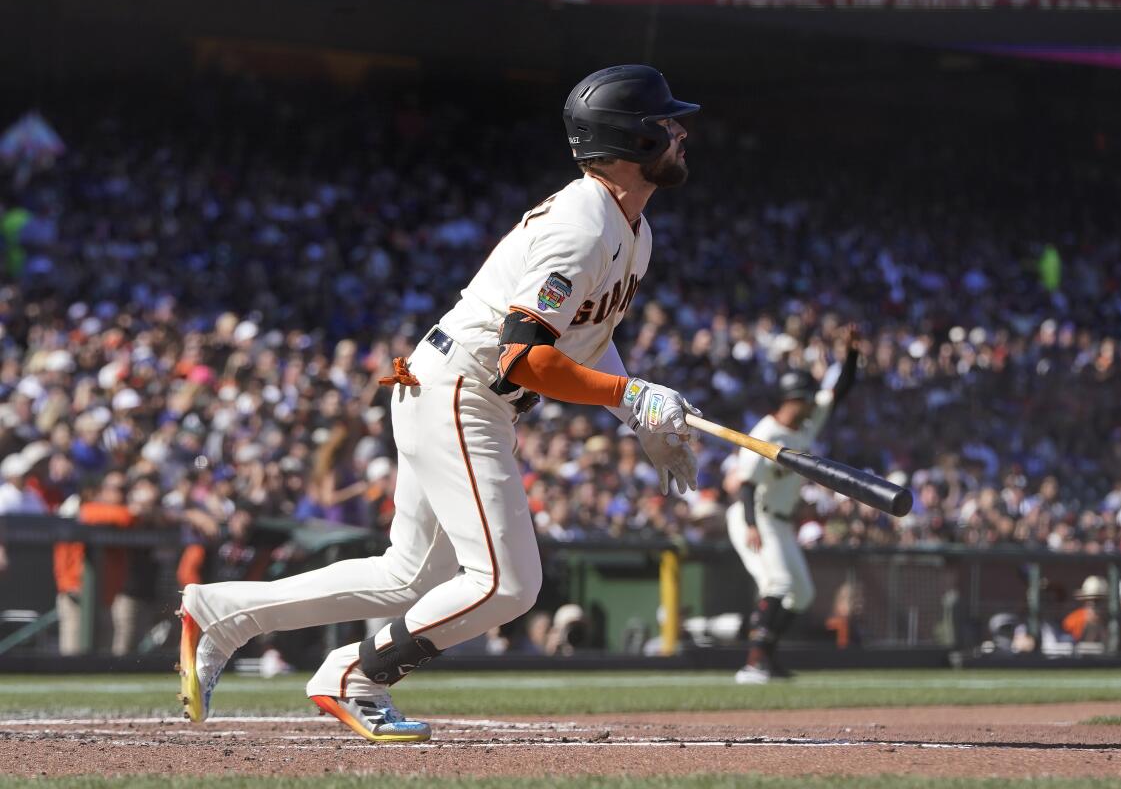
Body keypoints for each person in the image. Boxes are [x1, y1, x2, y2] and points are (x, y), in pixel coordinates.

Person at [176, 65, 702, 742]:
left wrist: (634, 414)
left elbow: (585, 343)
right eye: (666, 123)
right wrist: (631, 394)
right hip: (464, 388)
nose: (680, 131)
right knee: (509, 585)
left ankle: (220, 611)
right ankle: (352, 675)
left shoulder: (633, 228)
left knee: (405, 578)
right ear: (632, 140)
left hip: (454, 388)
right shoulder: (583, 223)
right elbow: (524, 358)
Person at [725, 329, 859, 683]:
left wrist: (852, 357)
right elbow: (746, 485)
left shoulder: (806, 423)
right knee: (779, 584)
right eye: (806, 399)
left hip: (781, 522)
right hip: (754, 516)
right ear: (791, 400)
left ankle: (767, 659)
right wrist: (752, 525)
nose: (813, 404)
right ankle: (754, 662)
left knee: (802, 594)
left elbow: (838, 392)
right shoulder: (764, 434)